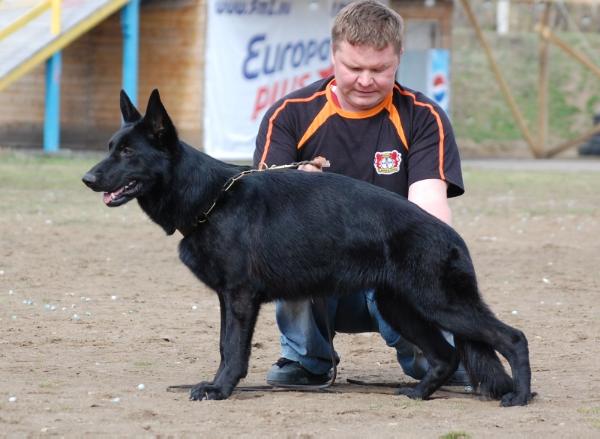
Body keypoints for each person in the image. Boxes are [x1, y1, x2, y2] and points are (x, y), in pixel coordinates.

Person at [253, 0, 468, 387]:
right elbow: (262, 218)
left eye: (379, 69)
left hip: (391, 273)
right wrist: (301, 190)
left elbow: (430, 215)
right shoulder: (288, 115)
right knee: (280, 245)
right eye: (354, 68)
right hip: (321, 274)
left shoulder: (423, 117)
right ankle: (307, 358)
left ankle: (434, 355)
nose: (366, 80)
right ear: (333, 55)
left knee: (425, 268)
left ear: (399, 58)